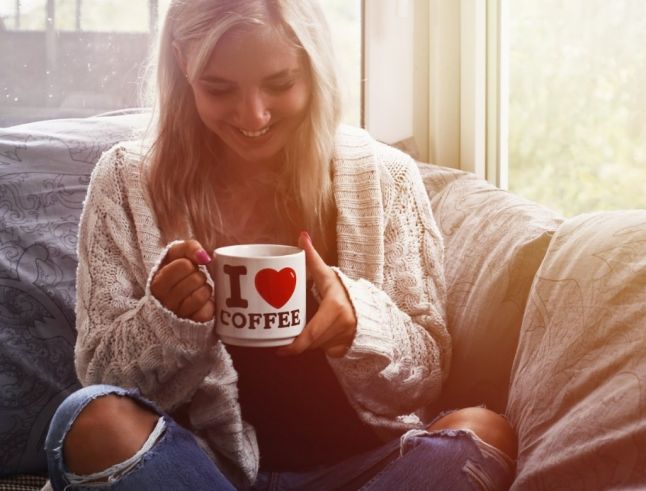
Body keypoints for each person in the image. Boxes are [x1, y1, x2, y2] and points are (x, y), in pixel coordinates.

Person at [44, 0, 517, 490]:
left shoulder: (383, 178)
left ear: (313, 67)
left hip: (361, 472)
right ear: (183, 62)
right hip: (196, 472)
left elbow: (426, 374)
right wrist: (164, 320)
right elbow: (101, 375)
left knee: (484, 434)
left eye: (280, 83)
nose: (254, 115)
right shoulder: (126, 181)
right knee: (90, 419)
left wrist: (361, 324)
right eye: (219, 88)